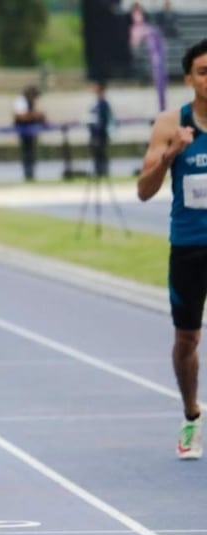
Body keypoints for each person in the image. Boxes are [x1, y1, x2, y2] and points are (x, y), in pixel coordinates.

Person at [137, 38, 207, 460]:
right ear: (189, 79)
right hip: (189, 248)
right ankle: (190, 415)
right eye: (203, 72)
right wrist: (169, 155)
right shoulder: (171, 124)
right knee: (186, 340)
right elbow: (144, 192)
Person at [12, 84, 46, 181]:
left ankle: (30, 174)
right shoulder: (21, 100)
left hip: (30, 131)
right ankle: (28, 174)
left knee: (30, 153)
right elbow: (20, 116)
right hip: (24, 130)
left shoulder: (29, 102)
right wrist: (34, 115)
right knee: (27, 153)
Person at [88, 79, 115, 178]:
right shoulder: (95, 103)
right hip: (94, 133)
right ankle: (98, 171)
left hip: (101, 133)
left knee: (101, 153)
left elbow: (104, 119)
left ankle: (103, 171)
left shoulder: (103, 103)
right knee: (96, 153)